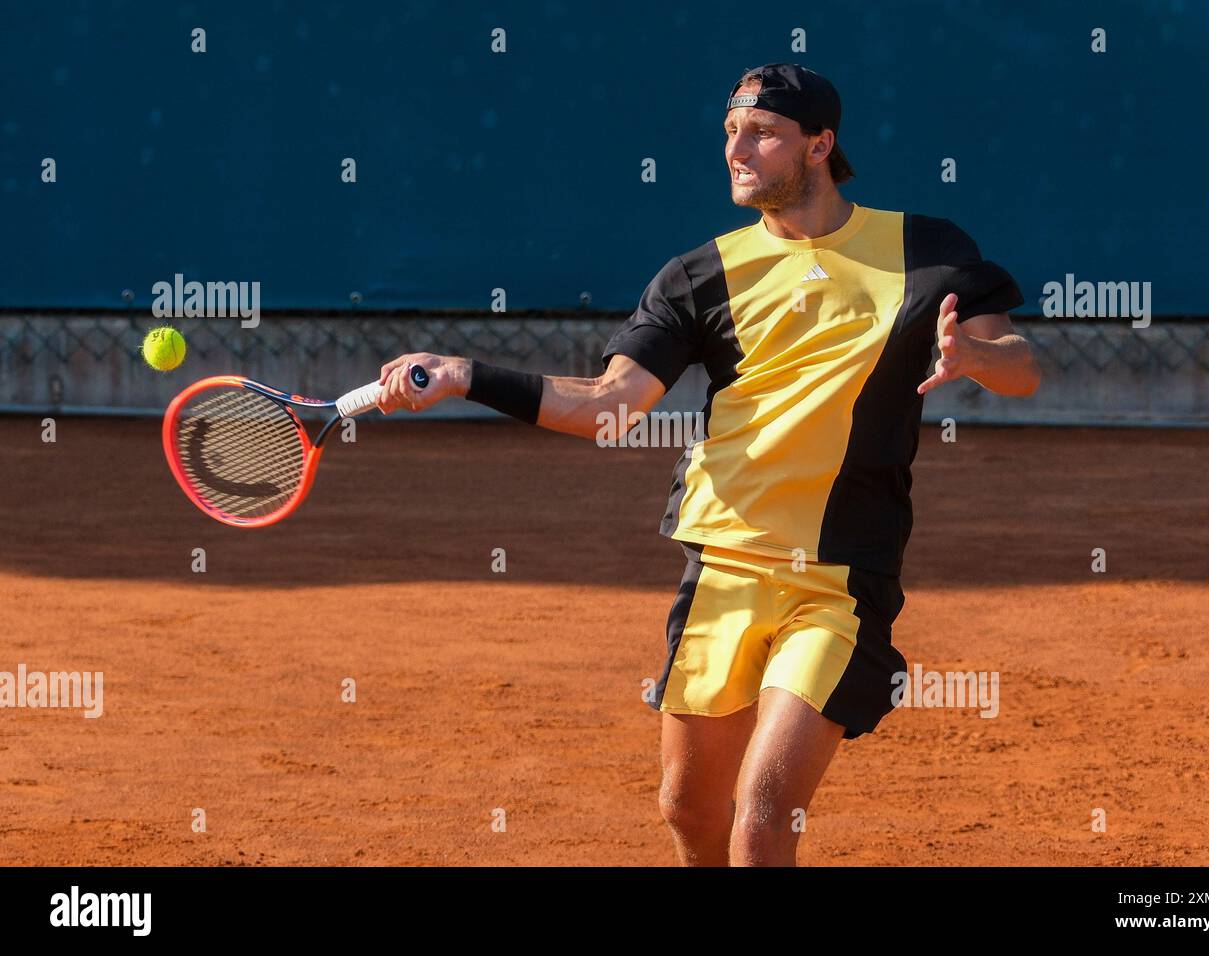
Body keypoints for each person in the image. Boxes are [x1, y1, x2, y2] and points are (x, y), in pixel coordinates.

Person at [376, 63, 1041, 866]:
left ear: (820, 145)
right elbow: (608, 406)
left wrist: (972, 351)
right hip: (721, 567)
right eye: (730, 131)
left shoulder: (926, 251)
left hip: (840, 578)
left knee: (763, 815)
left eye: (761, 132)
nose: (737, 148)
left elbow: (1022, 366)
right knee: (691, 811)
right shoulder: (700, 275)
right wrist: (464, 376)